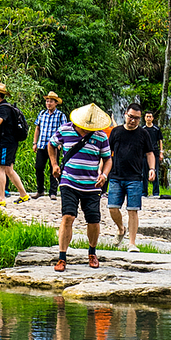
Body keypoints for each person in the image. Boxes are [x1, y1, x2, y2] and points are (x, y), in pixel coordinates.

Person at [47, 102, 113, 270]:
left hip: (92, 184)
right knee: (68, 216)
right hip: (68, 181)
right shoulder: (65, 130)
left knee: (93, 220)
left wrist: (104, 175)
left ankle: (92, 253)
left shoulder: (101, 136)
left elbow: (108, 159)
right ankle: (62, 257)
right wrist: (54, 165)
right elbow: (51, 144)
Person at [107, 103, 156, 251]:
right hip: (116, 175)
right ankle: (121, 229)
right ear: (125, 115)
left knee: (132, 210)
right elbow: (107, 153)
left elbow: (150, 153)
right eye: (131, 117)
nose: (133, 120)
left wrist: (152, 169)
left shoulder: (143, 134)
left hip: (135, 177)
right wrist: (101, 171)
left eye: (136, 118)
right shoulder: (115, 132)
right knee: (113, 208)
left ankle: (132, 243)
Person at [32, 92, 66, 198]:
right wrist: (34, 142)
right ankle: (40, 190)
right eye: (47, 101)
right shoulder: (42, 114)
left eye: (51, 101)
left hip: (54, 146)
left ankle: (53, 192)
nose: (48, 103)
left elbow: (64, 131)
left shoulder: (60, 115)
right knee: (38, 167)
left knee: (53, 168)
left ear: (56, 103)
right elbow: (37, 128)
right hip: (42, 145)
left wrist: (61, 143)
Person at [142, 110, 164, 197]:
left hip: (155, 152)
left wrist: (161, 152)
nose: (148, 118)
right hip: (144, 153)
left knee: (155, 172)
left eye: (150, 117)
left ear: (153, 118)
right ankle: (144, 192)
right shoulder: (142, 129)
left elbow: (160, 140)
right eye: (147, 116)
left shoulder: (156, 129)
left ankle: (156, 192)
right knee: (144, 173)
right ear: (144, 118)